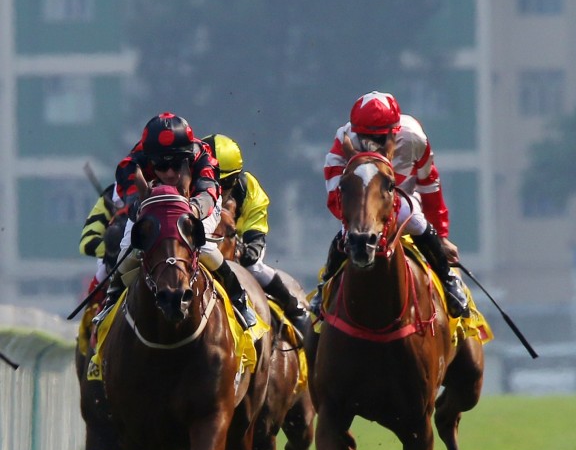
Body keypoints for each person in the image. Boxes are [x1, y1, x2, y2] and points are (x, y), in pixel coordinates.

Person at [98, 112, 258, 328]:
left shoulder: (202, 156)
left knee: (207, 251)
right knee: (128, 248)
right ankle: (112, 299)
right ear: (149, 158)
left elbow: (207, 195)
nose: (171, 173)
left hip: (196, 205)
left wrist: (190, 209)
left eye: (176, 164)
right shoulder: (132, 162)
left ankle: (239, 300)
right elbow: (131, 197)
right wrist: (141, 207)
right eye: (162, 167)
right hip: (152, 206)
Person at [316, 90, 467, 318]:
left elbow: (429, 184)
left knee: (415, 221)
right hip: (364, 202)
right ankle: (324, 288)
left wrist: (442, 235)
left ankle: (448, 280)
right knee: (347, 233)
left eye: (379, 139)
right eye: (366, 137)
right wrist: (355, 218)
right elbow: (335, 194)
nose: (373, 144)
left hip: (402, 194)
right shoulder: (344, 139)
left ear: (394, 132)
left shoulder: (414, 138)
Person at [201, 133, 311, 335]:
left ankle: (296, 312)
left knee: (255, 267)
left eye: (224, 184)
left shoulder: (248, 187)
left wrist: (254, 246)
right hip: (201, 243)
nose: (217, 191)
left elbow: (256, 220)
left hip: (240, 241)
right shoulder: (189, 186)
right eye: (212, 182)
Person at [79, 183, 118, 296]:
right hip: (118, 264)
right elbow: (86, 242)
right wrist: (116, 249)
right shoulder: (111, 195)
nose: (169, 173)